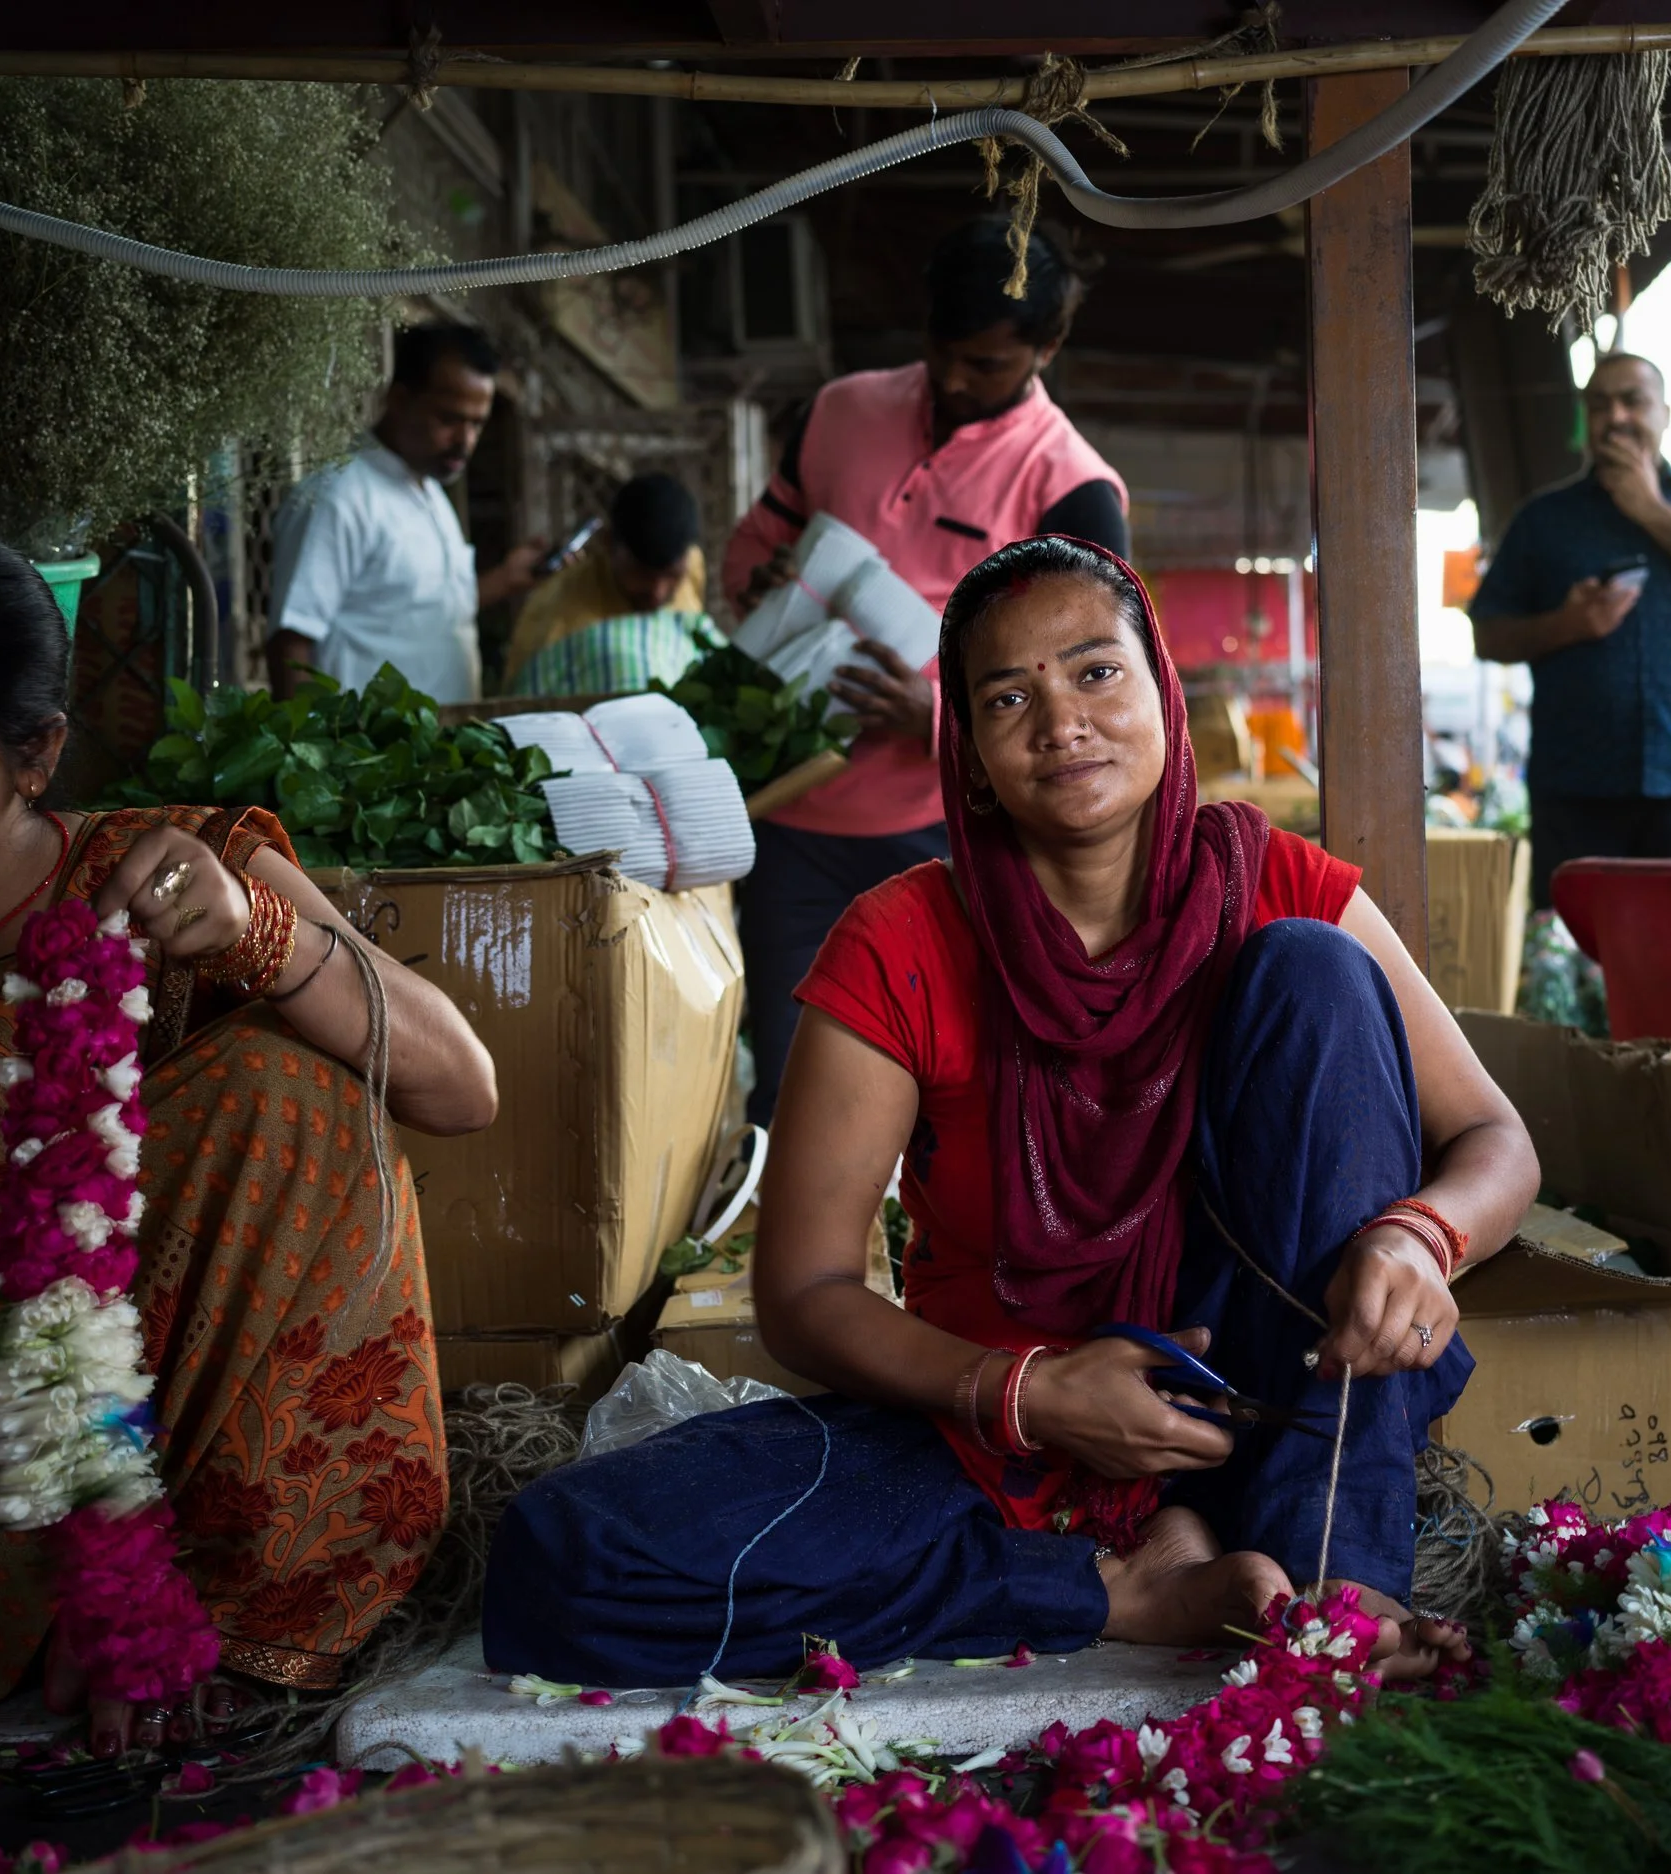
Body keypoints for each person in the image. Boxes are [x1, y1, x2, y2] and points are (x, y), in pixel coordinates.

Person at [482, 536, 1541, 1688]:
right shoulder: (901, 939)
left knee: (1315, 975)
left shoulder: (1283, 883)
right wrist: (1031, 1393)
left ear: (1162, 697)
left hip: (1264, 1415)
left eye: (1096, 672)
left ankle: (1335, 1576)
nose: (1061, 721)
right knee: (567, 1559)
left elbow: (1495, 1140)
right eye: (1007, 696)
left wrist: (1413, 1235)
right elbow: (805, 1294)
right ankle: (1119, 1588)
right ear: (972, 756)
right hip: (996, 1435)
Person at [0, 521, 499, 1751]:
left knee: (286, 1093)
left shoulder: (154, 873)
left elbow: (459, 1086)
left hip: (101, 1438)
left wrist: (258, 933)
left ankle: (213, 1620)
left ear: (36, 754)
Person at [723, 218, 1130, 1124]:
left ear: (1047, 346)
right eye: (941, 352)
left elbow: (1109, 698)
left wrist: (939, 716)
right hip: (793, 817)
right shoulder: (842, 410)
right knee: (793, 1094)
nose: (952, 380)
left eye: (985, 364)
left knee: (948, 1092)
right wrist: (761, 577)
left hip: (951, 833)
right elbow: (756, 539)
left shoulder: (1071, 487)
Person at [1469, 353, 1671, 909]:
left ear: (1665, 414)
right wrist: (1566, 625)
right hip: (1575, 791)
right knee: (1576, 966)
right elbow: (1487, 634)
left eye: (1633, 400)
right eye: (1599, 404)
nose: (1616, 416)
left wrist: (1651, 509)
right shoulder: (1544, 519)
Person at [266, 323, 547, 707]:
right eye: (450, 419)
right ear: (399, 401)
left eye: (477, 424)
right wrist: (309, 756)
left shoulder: (430, 493)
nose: (465, 441)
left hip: (438, 749)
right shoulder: (338, 496)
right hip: (365, 756)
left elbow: (420, 613)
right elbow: (292, 641)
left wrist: (508, 578)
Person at [502, 471, 715, 698]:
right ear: (608, 543)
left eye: (672, 576)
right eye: (642, 574)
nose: (657, 592)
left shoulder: (692, 565)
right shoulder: (556, 615)